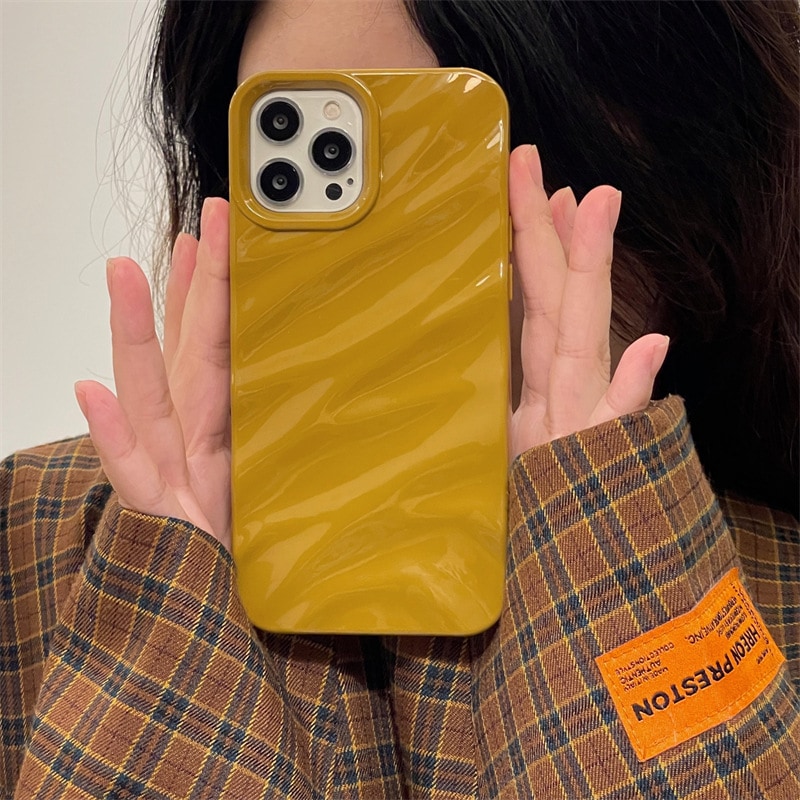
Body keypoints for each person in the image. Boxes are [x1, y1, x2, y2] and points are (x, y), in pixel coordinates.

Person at [2, 0, 798, 797]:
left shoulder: (776, 568)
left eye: (455, 169)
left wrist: (599, 556)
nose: (396, 278)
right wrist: (174, 626)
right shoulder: (26, 536)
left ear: (687, 181)